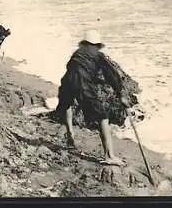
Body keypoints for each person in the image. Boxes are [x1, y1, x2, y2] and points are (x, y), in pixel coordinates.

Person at [56, 30, 130, 166]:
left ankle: (70, 135)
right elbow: (112, 76)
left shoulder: (77, 54)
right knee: (102, 115)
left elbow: (72, 68)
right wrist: (121, 95)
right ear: (97, 45)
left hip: (67, 80)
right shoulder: (98, 56)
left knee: (66, 104)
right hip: (82, 83)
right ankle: (109, 156)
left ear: (84, 43)